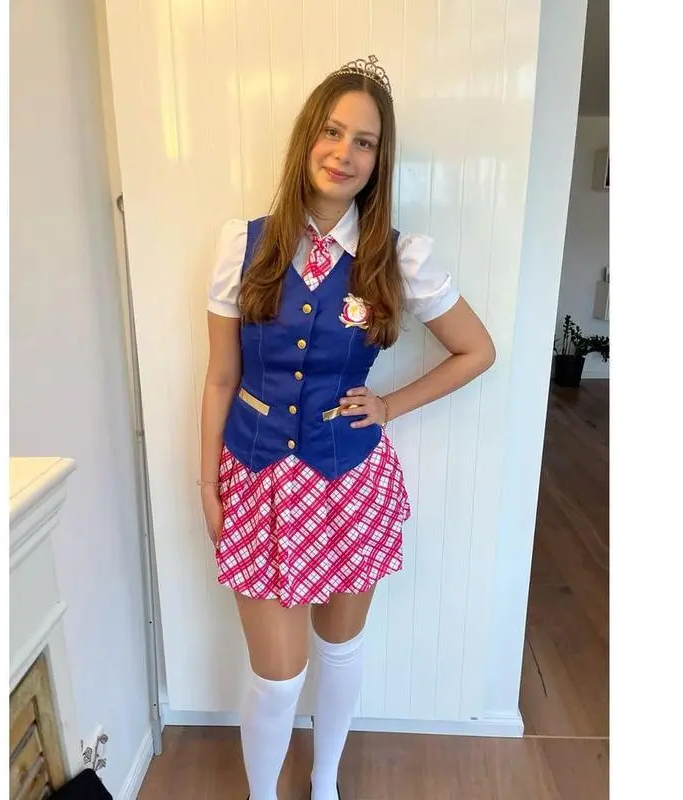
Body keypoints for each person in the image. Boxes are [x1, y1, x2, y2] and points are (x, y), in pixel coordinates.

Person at [199, 54, 495, 800]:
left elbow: (477, 350)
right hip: (256, 478)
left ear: (378, 160)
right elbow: (220, 378)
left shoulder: (399, 257)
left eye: (364, 141)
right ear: (308, 138)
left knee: (339, 650)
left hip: (349, 482)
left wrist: (389, 405)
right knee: (278, 676)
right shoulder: (245, 244)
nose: (344, 152)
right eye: (332, 132)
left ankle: (325, 781)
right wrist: (206, 484)